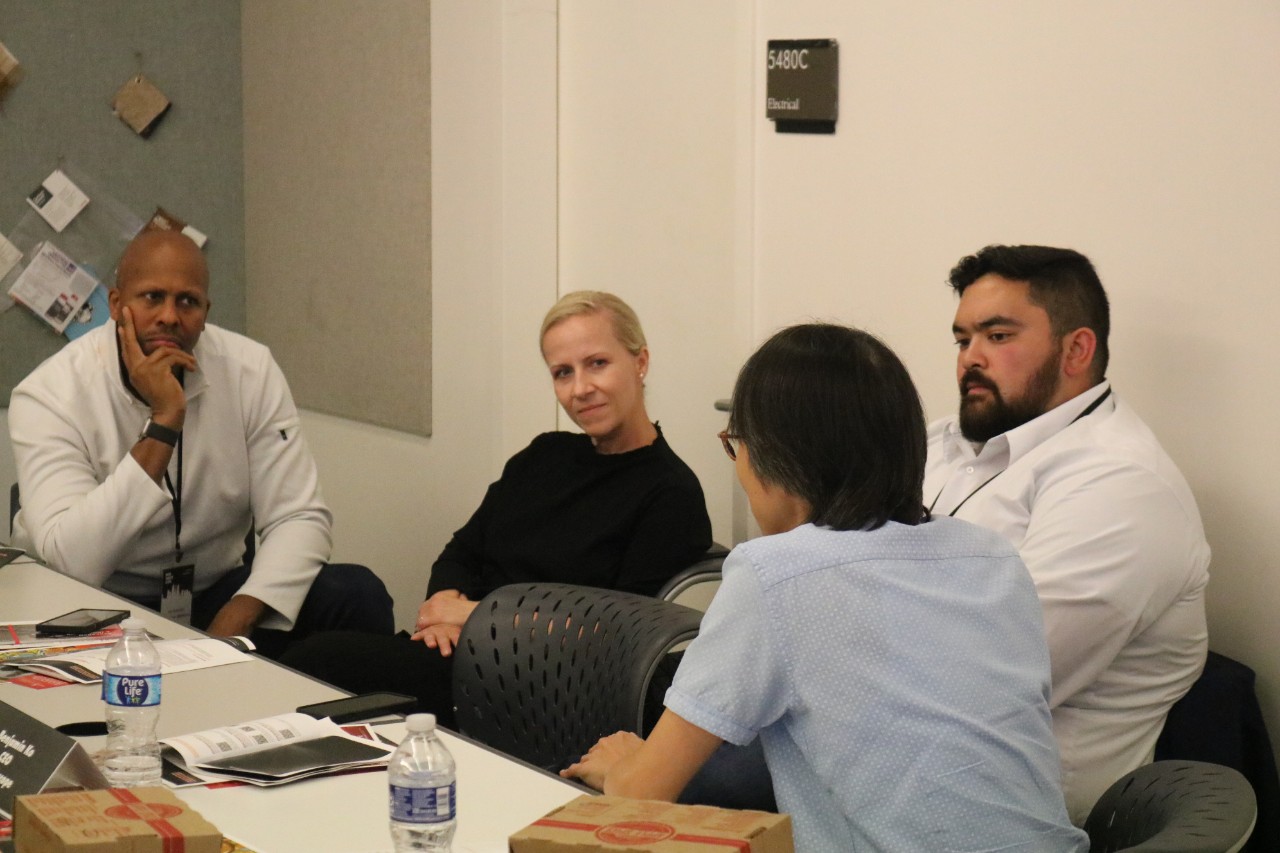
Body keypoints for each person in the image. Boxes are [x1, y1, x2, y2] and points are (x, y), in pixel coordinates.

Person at [563, 323, 1088, 852]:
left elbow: (642, 793)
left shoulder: (774, 573)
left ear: (772, 455)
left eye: (735, 444)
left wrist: (622, 764)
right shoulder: (993, 556)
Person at [280, 291, 713, 724]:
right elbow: (463, 550)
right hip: (459, 653)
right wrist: (442, 611)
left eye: (597, 363)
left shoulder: (671, 492)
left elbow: (614, 635)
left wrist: (469, 615)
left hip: (537, 688)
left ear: (640, 362)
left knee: (313, 663)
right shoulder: (544, 455)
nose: (581, 388)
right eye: (563, 373)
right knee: (303, 664)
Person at [926, 244, 1210, 823]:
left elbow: (990, 678)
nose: (970, 359)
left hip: (1002, 809)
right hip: (904, 761)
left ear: (1076, 349)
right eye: (962, 340)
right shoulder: (943, 443)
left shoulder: (1121, 484)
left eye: (997, 336)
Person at [9, 230, 392, 655]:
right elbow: (73, 564)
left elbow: (299, 517)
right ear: (116, 305)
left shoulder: (250, 370)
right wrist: (163, 423)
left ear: (206, 312)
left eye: (187, 301)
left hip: (215, 593)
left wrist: (239, 615)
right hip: (99, 601)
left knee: (357, 593)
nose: (169, 317)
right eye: (152, 297)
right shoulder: (49, 394)